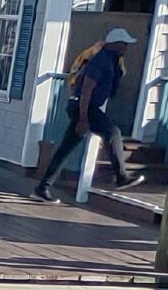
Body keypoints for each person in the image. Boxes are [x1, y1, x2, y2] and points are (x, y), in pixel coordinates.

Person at [32, 26, 136, 200]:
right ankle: (121, 177)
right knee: (113, 132)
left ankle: (42, 188)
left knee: (65, 149)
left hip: (82, 107)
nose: (126, 47)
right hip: (83, 107)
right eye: (124, 43)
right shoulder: (101, 60)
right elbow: (86, 90)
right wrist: (83, 118)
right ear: (114, 44)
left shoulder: (111, 61)